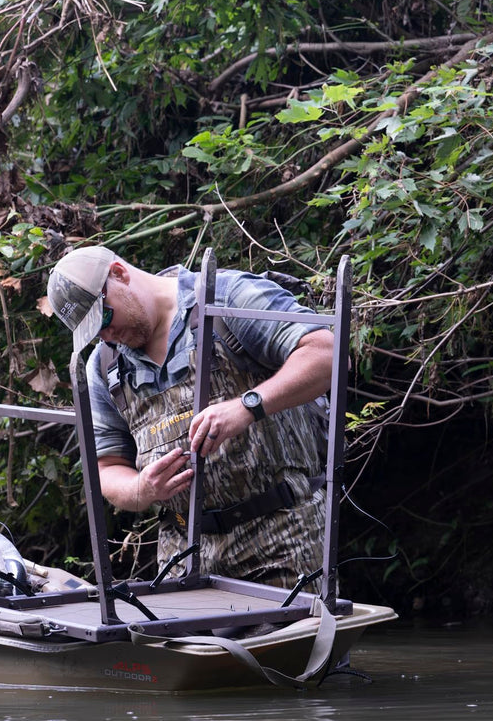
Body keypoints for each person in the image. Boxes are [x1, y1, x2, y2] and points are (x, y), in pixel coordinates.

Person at [47, 245, 333, 587]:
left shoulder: (225, 297)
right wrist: (141, 489)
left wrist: (247, 406)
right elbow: (106, 468)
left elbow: (327, 353)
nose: (107, 335)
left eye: (104, 318)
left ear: (119, 274)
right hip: (184, 555)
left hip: (284, 539)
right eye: (95, 331)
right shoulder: (104, 365)